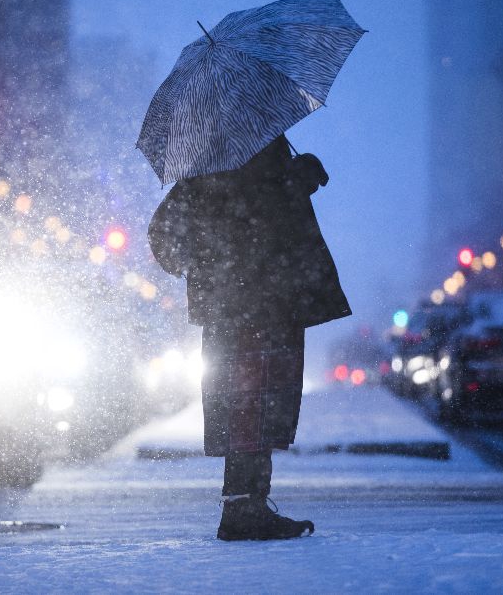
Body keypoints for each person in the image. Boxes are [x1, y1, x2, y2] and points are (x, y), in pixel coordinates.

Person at [148, 134, 351, 541]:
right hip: (260, 308)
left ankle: (245, 504)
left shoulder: (212, 166)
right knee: (253, 409)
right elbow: (260, 222)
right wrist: (295, 181)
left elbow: (166, 236)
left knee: (250, 409)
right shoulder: (246, 165)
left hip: (245, 309)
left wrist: (207, 268)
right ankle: (244, 509)